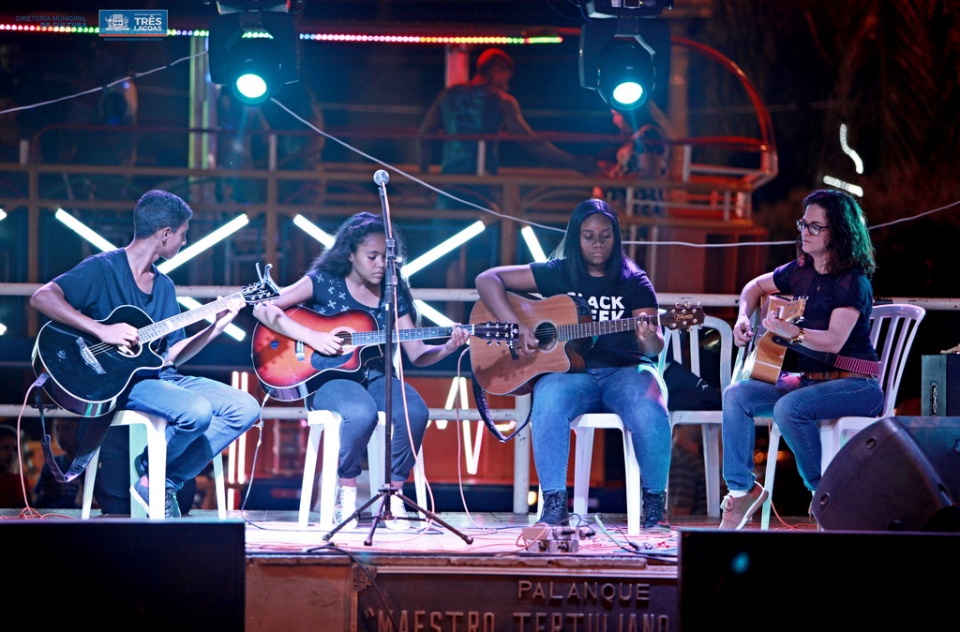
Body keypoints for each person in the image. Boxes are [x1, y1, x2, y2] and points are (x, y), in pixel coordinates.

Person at [29, 189, 262, 518]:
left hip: (161, 377)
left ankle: (161, 480)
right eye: (182, 235)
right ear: (165, 233)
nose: (183, 242)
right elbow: (42, 297)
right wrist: (102, 330)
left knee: (245, 407)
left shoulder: (164, 286)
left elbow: (171, 356)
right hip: (122, 384)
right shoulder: (103, 268)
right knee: (195, 412)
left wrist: (215, 328)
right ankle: (153, 470)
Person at [252, 212, 469, 531]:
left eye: (387, 257)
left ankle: (393, 496)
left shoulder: (394, 291)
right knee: (360, 412)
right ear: (350, 254)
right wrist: (313, 337)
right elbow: (264, 307)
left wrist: (450, 346)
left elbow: (418, 353)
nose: (381, 264)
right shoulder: (323, 280)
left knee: (415, 412)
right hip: (328, 378)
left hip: (377, 377)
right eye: (372, 256)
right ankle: (347, 492)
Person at [474, 198, 672, 531]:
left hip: (625, 371)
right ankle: (553, 504)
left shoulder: (634, 280)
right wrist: (517, 326)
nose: (598, 243)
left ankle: (655, 504)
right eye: (589, 235)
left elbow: (654, 346)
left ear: (616, 237)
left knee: (650, 404)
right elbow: (487, 280)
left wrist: (649, 336)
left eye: (605, 236)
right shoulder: (559, 272)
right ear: (575, 238)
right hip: (572, 374)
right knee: (548, 398)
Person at [719, 189, 883, 530]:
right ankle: (743, 489)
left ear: (838, 232)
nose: (804, 232)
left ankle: (823, 492)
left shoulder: (853, 282)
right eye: (803, 224)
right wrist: (743, 319)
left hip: (856, 385)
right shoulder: (799, 270)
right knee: (737, 394)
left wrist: (791, 332)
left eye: (814, 227)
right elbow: (753, 287)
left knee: (789, 408)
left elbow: (833, 342)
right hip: (809, 382)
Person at [418, 48, 580, 196]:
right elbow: (530, 142)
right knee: (494, 223)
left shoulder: (448, 94)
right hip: (483, 184)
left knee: (443, 225)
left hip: (449, 183)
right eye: (506, 77)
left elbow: (424, 134)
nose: (507, 86)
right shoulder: (502, 100)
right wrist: (574, 161)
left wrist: (424, 178)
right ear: (497, 70)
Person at [31, 417, 84, 509]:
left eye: (66, 428)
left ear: (81, 429)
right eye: (57, 429)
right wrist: (45, 493)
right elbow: (34, 505)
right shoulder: (51, 464)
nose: (60, 435)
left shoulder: (91, 466)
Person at [0, 423, 28, 508]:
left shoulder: (18, 482)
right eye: (5, 448)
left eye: (15, 449)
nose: (12, 454)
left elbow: (28, 515)